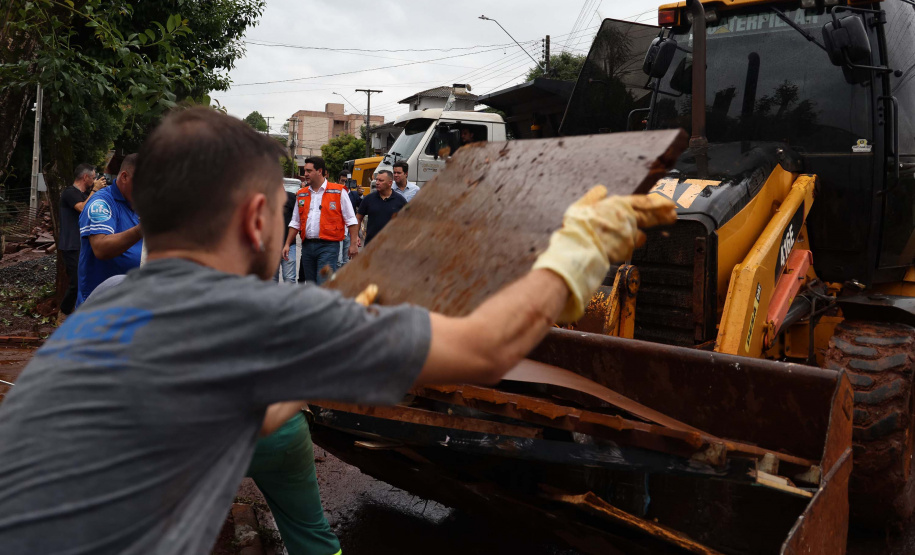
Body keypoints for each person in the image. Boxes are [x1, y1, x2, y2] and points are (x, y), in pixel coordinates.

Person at [0, 106, 676, 554]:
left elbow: (237, 413)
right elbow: (488, 346)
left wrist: (323, 349)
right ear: (258, 219)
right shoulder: (251, 314)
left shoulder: (104, 306)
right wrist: (582, 245)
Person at [75, 153, 142, 307]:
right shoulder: (101, 203)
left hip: (132, 305)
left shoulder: (138, 204)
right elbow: (101, 248)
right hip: (100, 309)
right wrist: (141, 230)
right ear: (124, 177)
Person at [282, 157, 358, 284]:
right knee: (310, 285)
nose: (305, 174)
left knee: (324, 283)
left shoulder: (338, 191)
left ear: (320, 171)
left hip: (328, 247)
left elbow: (351, 219)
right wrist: (287, 244)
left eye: (308, 171)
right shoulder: (302, 194)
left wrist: (353, 244)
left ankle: (326, 303)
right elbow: (295, 222)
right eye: (305, 171)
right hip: (307, 247)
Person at [57, 164, 105, 319]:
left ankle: (81, 315)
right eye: (93, 177)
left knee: (88, 280)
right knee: (77, 281)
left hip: (84, 244)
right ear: (85, 177)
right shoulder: (69, 193)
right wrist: (95, 190)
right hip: (71, 245)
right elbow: (84, 208)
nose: (95, 180)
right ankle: (63, 313)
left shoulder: (86, 195)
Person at [357, 170, 407, 245]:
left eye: (381, 180)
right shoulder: (368, 199)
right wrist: (355, 236)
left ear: (390, 183)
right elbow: (358, 217)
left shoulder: (400, 200)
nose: (377, 183)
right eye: (376, 180)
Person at [274, 183, 297, 283]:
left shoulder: (291, 198)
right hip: (271, 247)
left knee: (289, 279)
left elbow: (297, 220)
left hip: (289, 245)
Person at [336, 171, 353, 268]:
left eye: (347, 181)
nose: (345, 184)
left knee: (346, 261)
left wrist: (360, 195)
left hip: (349, 232)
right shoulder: (335, 193)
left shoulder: (353, 195)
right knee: (338, 261)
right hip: (339, 231)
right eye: (343, 181)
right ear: (338, 180)